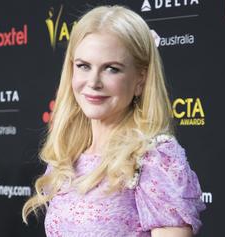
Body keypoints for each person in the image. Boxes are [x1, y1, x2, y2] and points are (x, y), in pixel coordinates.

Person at [22, 5, 206, 237]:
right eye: (83, 66)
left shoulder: (154, 159)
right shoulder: (67, 156)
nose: (93, 82)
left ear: (141, 78)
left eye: (111, 69)